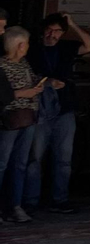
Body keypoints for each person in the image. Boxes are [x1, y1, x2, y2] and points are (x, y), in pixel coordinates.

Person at [27, 12, 90, 215]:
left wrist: (73, 24)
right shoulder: (32, 50)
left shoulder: (67, 48)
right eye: (49, 30)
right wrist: (47, 82)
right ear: (43, 31)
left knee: (64, 158)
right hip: (39, 108)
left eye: (58, 31)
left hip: (64, 108)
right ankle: (31, 200)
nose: (53, 34)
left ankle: (60, 199)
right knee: (35, 157)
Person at [0, 26, 47, 224]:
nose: (27, 47)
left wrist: (39, 85)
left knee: (20, 164)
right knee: (2, 164)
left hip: (28, 117)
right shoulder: (2, 66)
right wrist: (24, 93)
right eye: (26, 43)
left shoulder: (25, 63)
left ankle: (15, 206)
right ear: (20, 46)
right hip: (9, 119)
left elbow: (30, 81)